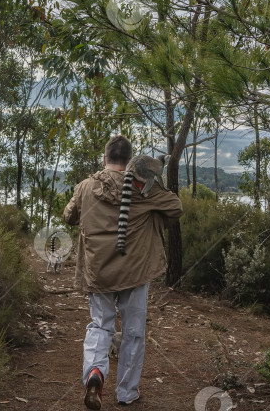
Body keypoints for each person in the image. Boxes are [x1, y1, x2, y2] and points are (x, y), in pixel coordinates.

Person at [63, 135, 183, 409]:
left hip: (99, 272)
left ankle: (95, 373)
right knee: (133, 331)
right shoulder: (144, 188)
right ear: (130, 162)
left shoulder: (85, 187)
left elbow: (68, 216)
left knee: (100, 325)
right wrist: (152, 212)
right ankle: (127, 392)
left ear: (104, 160)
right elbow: (176, 208)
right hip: (136, 271)